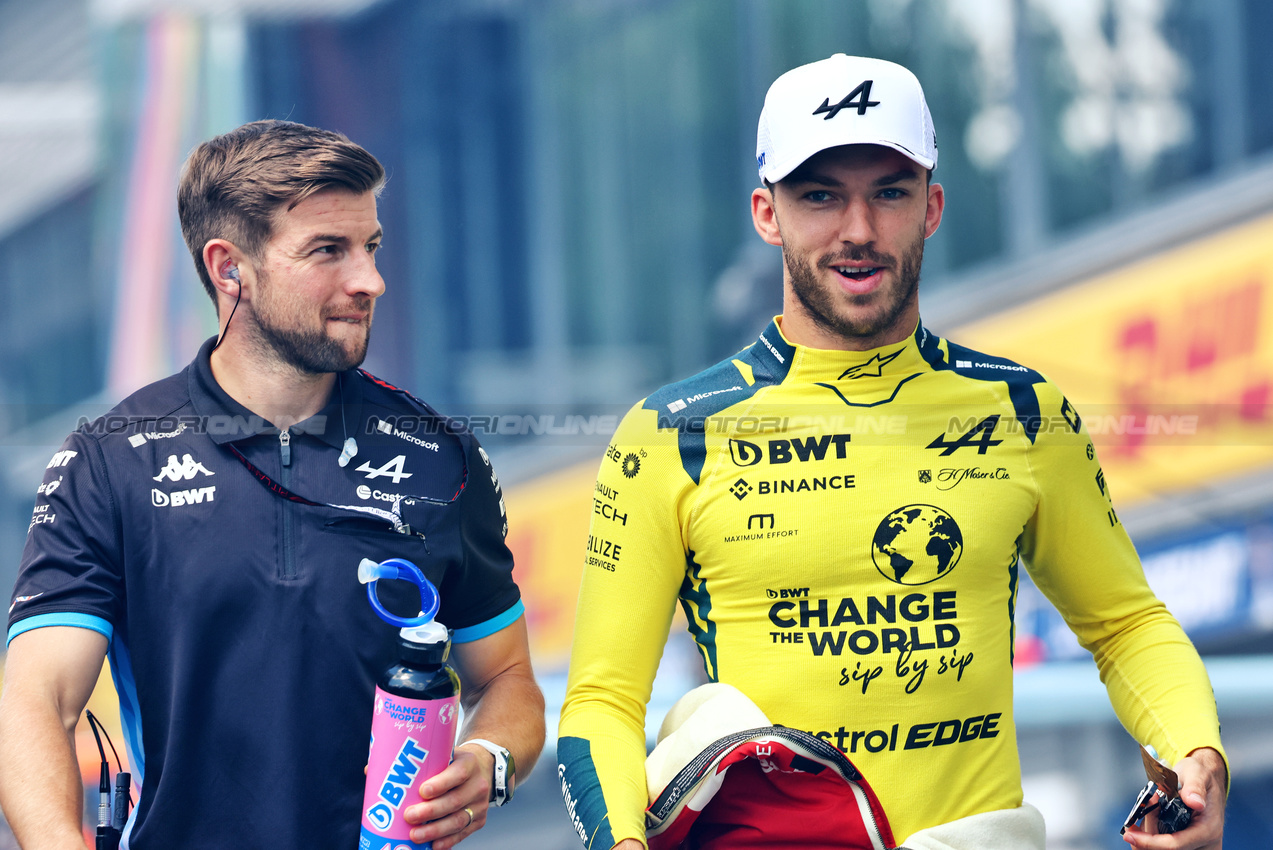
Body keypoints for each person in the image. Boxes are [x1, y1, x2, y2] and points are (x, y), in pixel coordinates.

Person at [557, 54, 1226, 850]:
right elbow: (601, 699)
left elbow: (1123, 623)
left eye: (889, 192)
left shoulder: (1023, 410)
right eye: (819, 196)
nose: (859, 231)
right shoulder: (668, 434)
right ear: (766, 215)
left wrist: (1196, 750)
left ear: (932, 206)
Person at [0, 120, 544, 849]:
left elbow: (506, 675)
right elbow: (35, 699)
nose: (369, 280)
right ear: (230, 268)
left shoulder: (440, 457)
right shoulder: (110, 462)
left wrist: (490, 759)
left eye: (370, 247)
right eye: (328, 251)